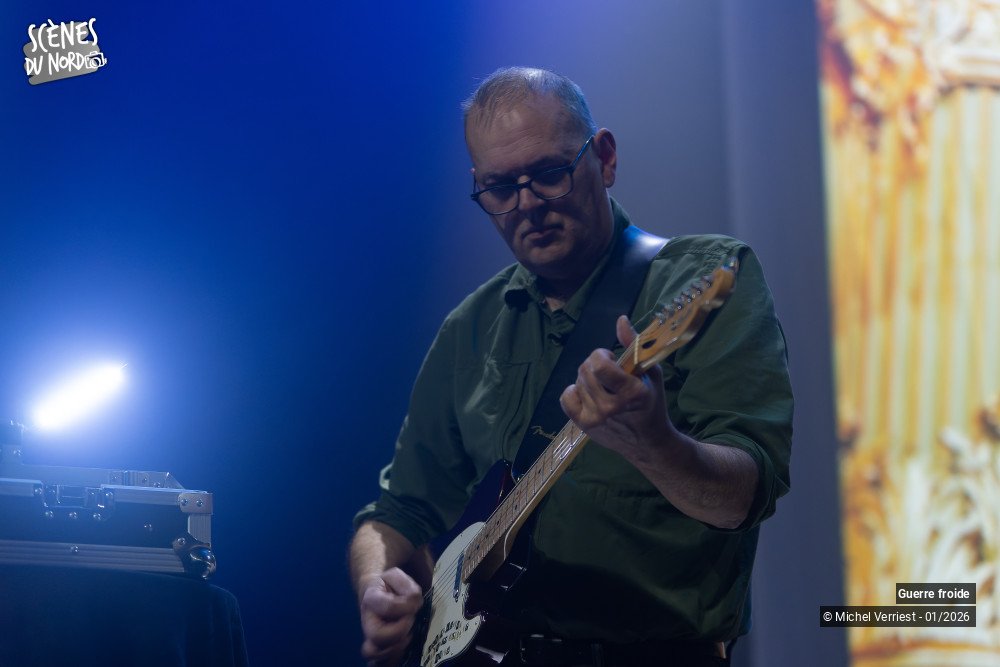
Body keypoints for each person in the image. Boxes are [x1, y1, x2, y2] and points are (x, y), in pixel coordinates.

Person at [349, 67, 792, 667]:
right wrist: (376, 585)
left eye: (549, 174)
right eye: (500, 188)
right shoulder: (468, 329)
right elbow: (396, 513)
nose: (527, 205)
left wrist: (655, 444)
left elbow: (743, 497)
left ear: (604, 158)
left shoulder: (702, 277)